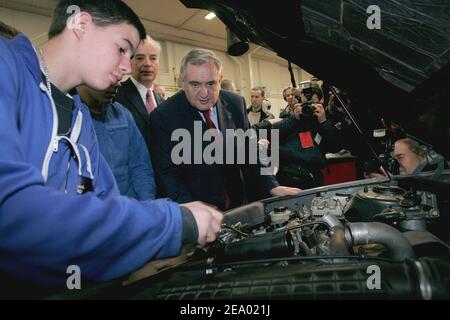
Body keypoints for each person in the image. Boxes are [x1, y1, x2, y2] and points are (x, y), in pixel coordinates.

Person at [0, 0, 222, 295]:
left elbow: (108, 202)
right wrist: (173, 221)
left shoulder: (80, 117)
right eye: (122, 48)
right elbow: (13, 211)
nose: (127, 66)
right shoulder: (6, 66)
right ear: (80, 25)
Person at [149, 49, 300, 210]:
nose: (204, 93)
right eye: (195, 84)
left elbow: (249, 149)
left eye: (211, 83)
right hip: (196, 211)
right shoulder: (163, 116)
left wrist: (271, 185)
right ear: (182, 82)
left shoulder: (236, 104)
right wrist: (192, 212)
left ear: (220, 80)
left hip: (238, 206)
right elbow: (168, 176)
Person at [77, 83, 156, 200]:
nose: (118, 83)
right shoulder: (68, 117)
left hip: (128, 209)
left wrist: (147, 206)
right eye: (110, 72)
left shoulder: (123, 115)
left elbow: (141, 167)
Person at [116, 35, 164, 153]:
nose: (147, 64)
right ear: (129, 62)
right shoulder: (116, 96)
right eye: (140, 58)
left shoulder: (163, 102)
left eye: (153, 58)